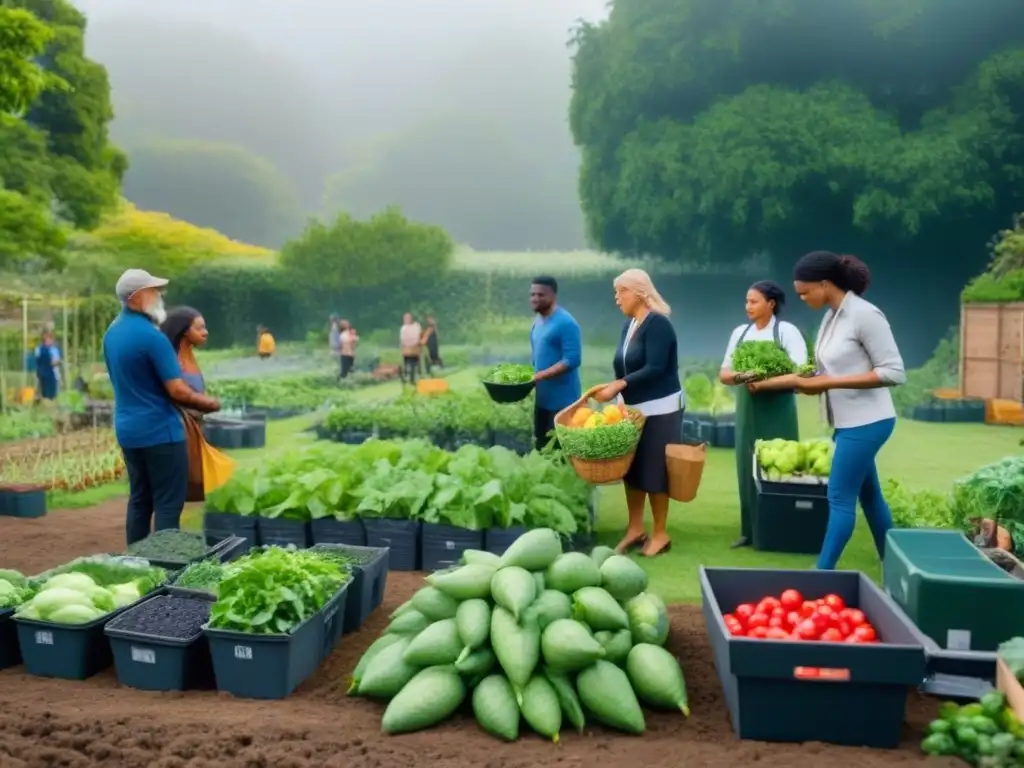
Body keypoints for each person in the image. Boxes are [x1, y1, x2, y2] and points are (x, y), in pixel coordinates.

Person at [749, 252, 906, 570]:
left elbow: (893, 372)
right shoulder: (832, 315)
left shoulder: (865, 315)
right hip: (848, 422)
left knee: (838, 496)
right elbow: (821, 371)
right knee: (870, 496)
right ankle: (893, 563)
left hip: (869, 422)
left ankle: (821, 571)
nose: (802, 299)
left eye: (805, 292)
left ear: (825, 284)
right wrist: (778, 380)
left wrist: (829, 382)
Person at [103, 269, 220, 546]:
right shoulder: (152, 337)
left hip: (128, 430)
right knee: (168, 503)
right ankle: (163, 565)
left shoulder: (112, 333)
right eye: (154, 291)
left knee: (140, 499)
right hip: (160, 432)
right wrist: (209, 403)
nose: (160, 297)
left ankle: (136, 558)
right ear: (137, 297)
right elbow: (177, 390)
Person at [593, 269, 680, 558]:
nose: (617, 298)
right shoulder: (630, 325)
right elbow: (623, 366)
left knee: (655, 471)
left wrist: (620, 384)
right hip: (632, 410)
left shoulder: (659, 325)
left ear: (639, 292)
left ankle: (660, 533)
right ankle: (634, 528)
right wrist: (617, 394)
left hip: (660, 410)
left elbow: (655, 368)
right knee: (631, 470)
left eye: (621, 292)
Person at [719, 281, 808, 549]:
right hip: (748, 407)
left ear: (771, 304)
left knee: (783, 466)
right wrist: (742, 376)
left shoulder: (786, 332)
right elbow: (724, 373)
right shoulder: (740, 333)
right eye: (746, 301)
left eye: (754, 301)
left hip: (778, 407)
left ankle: (783, 529)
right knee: (747, 466)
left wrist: (766, 381)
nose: (748, 307)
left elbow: (801, 371)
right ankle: (749, 530)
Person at [529, 276, 582, 451]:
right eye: (532, 294)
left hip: (563, 403)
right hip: (542, 400)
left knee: (561, 452)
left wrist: (539, 376)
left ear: (553, 296)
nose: (535, 298)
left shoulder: (566, 323)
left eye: (541, 295)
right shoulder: (537, 323)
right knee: (541, 446)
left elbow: (572, 360)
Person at [160, 306, 209, 402]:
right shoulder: (171, 362)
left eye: (204, 328)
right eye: (199, 329)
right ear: (185, 331)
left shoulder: (191, 357)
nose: (205, 332)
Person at [34, 331, 61, 401]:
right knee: (41, 390)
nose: (49, 341)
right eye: (47, 339)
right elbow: (37, 360)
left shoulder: (54, 349)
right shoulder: (39, 349)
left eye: (50, 339)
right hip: (41, 373)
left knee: (53, 391)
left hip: (52, 373)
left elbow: (56, 361)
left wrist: (52, 362)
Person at [399, 312, 422, 384]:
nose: (406, 320)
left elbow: (418, 336)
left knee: (414, 364)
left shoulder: (416, 326)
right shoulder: (404, 328)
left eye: (408, 318)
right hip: (407, 349)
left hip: (414, 348)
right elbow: (402, 339)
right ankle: (407, 376)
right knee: (407, 364)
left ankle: (413, 378)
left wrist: (415, 344)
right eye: (405, 319)